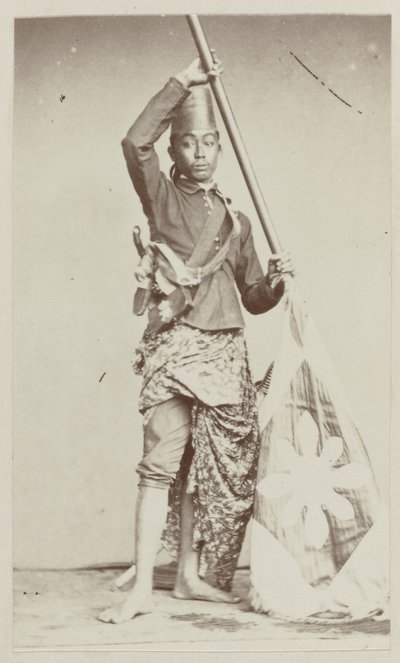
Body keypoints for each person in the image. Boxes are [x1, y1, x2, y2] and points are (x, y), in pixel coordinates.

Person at [99, 54, 294, 624]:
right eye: (189, 143)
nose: (201, 152)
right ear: (174, 149)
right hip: (175, 347)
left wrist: (276, 282)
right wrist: (180, 84)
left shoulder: (237, 220)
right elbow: (134, 143)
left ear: (219, 148)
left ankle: (187, 575)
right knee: (160, 465)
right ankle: (141, 590)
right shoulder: (161, 198)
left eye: (209, 143)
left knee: (199, 471)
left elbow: (252, 297)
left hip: (227, 354)